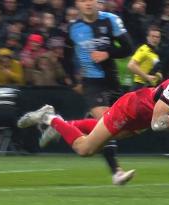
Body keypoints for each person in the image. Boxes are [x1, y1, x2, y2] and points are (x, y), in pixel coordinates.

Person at [17, 65, 169, 177]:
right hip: (131, 109)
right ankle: (51, 118)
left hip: (140, 121)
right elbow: (158, 124)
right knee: (85, 149)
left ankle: (59, 122)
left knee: (96, 130)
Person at [22, 0, 134, 185]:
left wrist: (107, 53)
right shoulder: (73, 28)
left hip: (113, 82)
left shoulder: (111, 20)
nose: (88, 3)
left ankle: (59, 123)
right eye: (82, 0)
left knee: (120, 131)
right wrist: (73, 80)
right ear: (77, 5)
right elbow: (64, 55)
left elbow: (128, 48)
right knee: (107, 124)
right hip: (92, 83)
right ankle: (117, 172)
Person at [127, 25, 162, 91]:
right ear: (148, 38)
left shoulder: (155, 53)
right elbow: (131, 65)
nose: (155, 39)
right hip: (139, 86)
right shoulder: (144, 49)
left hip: (149, 87)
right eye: (153, 36)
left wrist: (158, 75)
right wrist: (146, 77)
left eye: (157, 37)